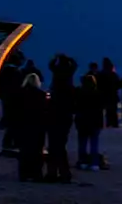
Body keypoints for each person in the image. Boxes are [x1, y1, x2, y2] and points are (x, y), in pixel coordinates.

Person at [45, 54, 77, 183]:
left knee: (53, 146)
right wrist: (69, 58)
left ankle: (52, 173)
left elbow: (51, 65)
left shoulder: (56, 77)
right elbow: (74, 65)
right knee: (61, 146)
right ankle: (64, 173)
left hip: (54, 116)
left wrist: (56, 57)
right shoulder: (69, 81)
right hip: (65, 117)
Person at [15, 72, 48, 182]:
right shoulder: (41, 94)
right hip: (38, 125)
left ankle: (23, 174)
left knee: (24, 150)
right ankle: (36, 173)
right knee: (37, 151)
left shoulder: (20, 93)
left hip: (23, 124)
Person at [75, 73, 103, 170]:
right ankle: (94, 163)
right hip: (94, 121)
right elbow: (100, 109)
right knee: (94, 144)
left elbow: (76, 107)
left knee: (82, 143)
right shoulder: (98, 93)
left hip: (82, 121)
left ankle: (83, 162)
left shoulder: (79, 93)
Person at [99, 58, 121, 128]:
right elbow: (118, 85)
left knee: (104, 111)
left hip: (104, 96)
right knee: (113, 111)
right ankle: (114, 124)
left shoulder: (101, 74)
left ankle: (104, 124)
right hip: (112, 96)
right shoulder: (114, 75)